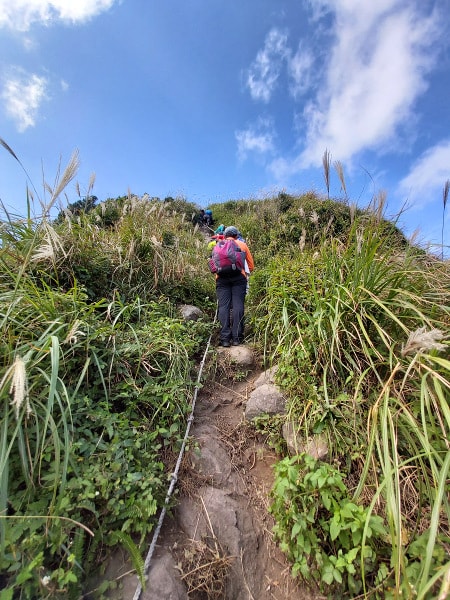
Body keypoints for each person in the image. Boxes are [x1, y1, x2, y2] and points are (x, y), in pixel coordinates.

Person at [215, 226, 254, 347]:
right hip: (239, 278)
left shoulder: (218, 245)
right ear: (236, 235)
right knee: (238, 305)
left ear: (225, 235)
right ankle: (237, 337)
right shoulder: (242, 245)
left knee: (223, 306)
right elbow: (251, 266)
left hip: (221, 279)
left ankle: (225, 339)